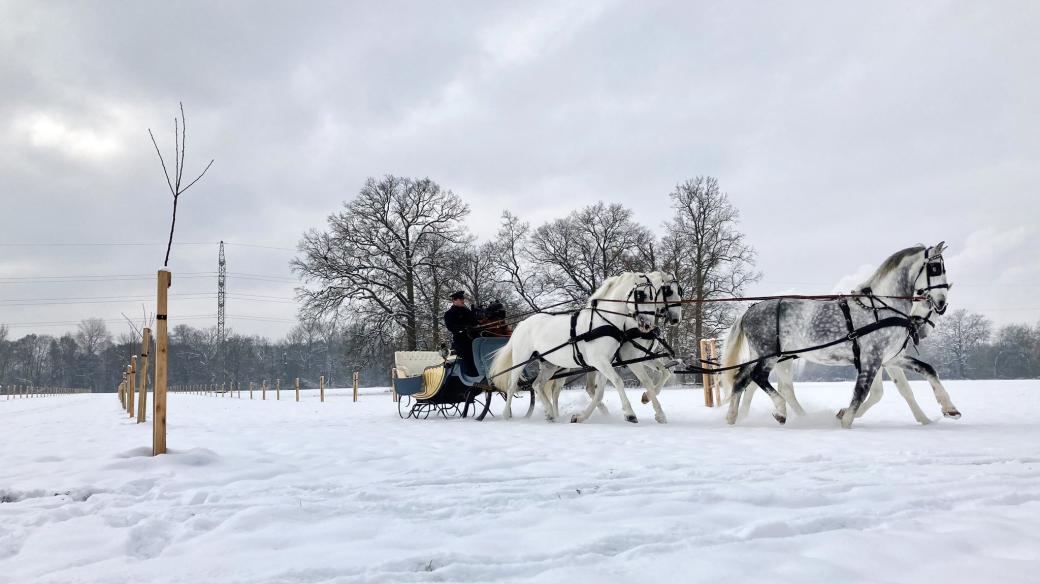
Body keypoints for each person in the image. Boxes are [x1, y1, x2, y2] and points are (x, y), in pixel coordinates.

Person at [443, 290, 479, 376]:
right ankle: (473, 377)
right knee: (469, 359)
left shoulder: (467, 311)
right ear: (454, 300)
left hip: (475, 340)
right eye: (460, 299)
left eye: (463, 298)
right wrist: (465, 327)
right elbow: (451, 327)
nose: (463, 300)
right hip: (462, 342)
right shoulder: (449, 313)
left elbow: (475, 323)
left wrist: (475, 315)